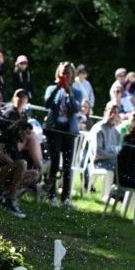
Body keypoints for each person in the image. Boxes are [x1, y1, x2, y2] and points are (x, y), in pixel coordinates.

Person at [0, 120, 39, 218]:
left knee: (34, 175)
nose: (28, 136)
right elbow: (0, 153)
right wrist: (16, 165)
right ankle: (10, 200)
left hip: (0, 175)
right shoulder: (6, 136)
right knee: (22, 163)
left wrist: (19, 169)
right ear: (20, 129)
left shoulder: (15, 145)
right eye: (27, 133)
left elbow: (17, 169)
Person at [44, 62, 80, 207]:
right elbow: (47, 104)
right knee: (54, 162)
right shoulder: (52, 88)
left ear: (72, 75)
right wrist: (58, 88)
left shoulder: (76, 91)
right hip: (54, 128)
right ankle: (51, 195)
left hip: (68, 130)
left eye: (67, 73)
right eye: (62, 73)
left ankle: (65, 197)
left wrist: (68, 93)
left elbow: (75, 109)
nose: (65, 75)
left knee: (67, 165)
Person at [90, 101, 122, 171]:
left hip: (112, 162)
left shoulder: (117, 133)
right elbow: (98, 153)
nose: (113, 115)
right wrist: (114, 155)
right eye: (111, 112)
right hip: (99, 163)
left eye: (115, 113)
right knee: (122, 169)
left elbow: (117, 150)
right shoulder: (98, 129)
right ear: (105, 113)